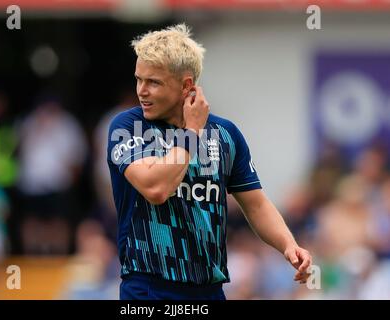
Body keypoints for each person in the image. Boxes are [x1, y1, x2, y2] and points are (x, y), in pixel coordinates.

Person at [107, 23, 312, 300]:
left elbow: (256, 204)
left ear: (186, 85)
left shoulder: (225, 134)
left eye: (153, 82)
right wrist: (191, 133)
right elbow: (156, 189)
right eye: (139, 79)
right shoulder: (128, 126)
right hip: (148, 288)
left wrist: (288, 245)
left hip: (210, 291)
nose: (141, 90)